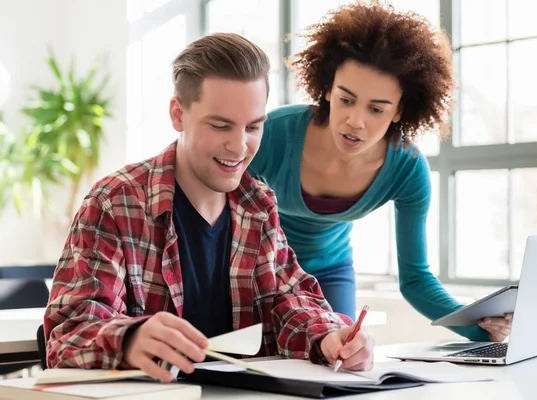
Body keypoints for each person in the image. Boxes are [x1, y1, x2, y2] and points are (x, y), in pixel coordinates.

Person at [43, 32, 375, 382]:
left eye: (253, 127)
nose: (239, 146)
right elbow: (67, 335)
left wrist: (329, 337)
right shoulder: (114, 203)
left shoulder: (258, 205)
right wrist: (128, 340)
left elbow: (288, 302)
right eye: (220, 126)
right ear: (177, 114)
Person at [248, 1, 512, 342]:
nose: (355, 121)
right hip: (259, 265)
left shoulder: (407, 169)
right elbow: (221, 220)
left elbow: (415, 279)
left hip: (330, 272)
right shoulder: (274, 133)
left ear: (400, 111)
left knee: (339, 362)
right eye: (346, 99)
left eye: (376, 108)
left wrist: (480, 328)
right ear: (327, 88)